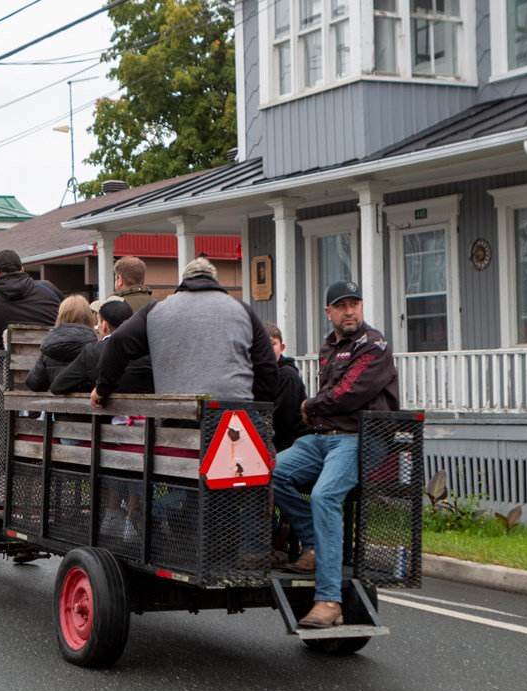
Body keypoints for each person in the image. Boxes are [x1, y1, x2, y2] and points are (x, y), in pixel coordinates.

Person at [272, 280, 400, 630]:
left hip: (360, 438)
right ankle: (313, 545)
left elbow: (349, 392)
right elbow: (332, 395)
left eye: (354, 304)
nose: (349, 311)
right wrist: (316, 411)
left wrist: (310, 405)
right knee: (270, 472)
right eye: (341, 306)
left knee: (325, 496)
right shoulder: (329, 348)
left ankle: (329, 601)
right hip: (323, 438)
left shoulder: (373, 345)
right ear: (329, 312)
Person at [92, 257, 277, 407]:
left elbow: (118, 342)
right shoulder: (243, 310)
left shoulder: (156, 310)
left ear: (185, 280)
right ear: (214, 280)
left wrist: (102, 388)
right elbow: (267, 366)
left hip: (178, 416)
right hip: (235, 415)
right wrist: (261, 408)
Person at [0, 248, 63, 419]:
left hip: (11, 373)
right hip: (52, 369)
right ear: (22, 268)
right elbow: (65, 323)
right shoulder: (49, 288)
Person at [51, 297, 153, 395]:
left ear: (104, 326)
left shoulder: (92, 352)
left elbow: (57, 386)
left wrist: (91, 386)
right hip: (150, 411)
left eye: (98, 321)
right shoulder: (147, 349)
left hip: (107, 410)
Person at [25, 295, 97, 392]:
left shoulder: (50, 346)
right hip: (88, 406)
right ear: (88, 317)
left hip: (54, 405)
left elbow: (34, 384)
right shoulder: (95, 346)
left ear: (61, 316)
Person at [266, 321, 310, 452]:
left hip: (291, 443)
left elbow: (282, 419)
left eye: (273, 344)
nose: (268, 348)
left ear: (282, 347)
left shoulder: (287, 375)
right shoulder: (261, 376)